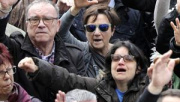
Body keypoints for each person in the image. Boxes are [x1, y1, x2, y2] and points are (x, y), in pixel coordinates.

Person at [0, 0, 85, 102]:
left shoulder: (75, 54)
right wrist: (4, 9)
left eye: (47, 19)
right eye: (34, 19)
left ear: (58, 25)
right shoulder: (16, 48)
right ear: (26, 25)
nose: (41, 24)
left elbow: (83, 93)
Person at [19, 40, 149, 102]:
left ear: (138, 68)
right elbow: (67, 80)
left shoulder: (149, 91)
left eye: (128, 59)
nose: (121, 62)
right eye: (115, 58)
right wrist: (38, 67)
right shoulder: (98, 87)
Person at [58, 2, 120, 78]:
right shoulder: (80, 49)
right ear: (85, 31)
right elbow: (59, 32)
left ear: (113, 30)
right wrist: (75, 8)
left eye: (103, 27)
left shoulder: (122, 54)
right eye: (91, 28)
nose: (97, 33)